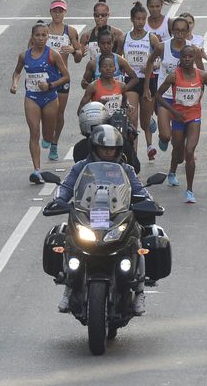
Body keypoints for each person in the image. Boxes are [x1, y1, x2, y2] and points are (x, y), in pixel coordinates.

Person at [54, 123, 153, 315]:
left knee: (138, 239)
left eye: (113, 149)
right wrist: (58, 200)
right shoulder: (81, 167)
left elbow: (139, 189)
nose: (109, 152)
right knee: (69, 238)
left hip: (117, 216)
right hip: (88, 215)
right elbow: (66, 187)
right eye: (104, 148)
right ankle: (68, 286)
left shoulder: (126, 169)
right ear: (94, 147)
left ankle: (139, 290)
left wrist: (148, 202)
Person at [12, 21, 71, 183]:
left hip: (50, 98)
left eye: (44, 35)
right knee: (34, 132)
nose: (40, 38)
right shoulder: (24, 56)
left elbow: (66, 77)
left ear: (48, 37)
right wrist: (15, 84)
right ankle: (37, 170)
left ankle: (49, 139)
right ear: (32, 37)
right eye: (37, 35)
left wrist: (50, 85)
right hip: (32, 97)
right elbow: (17, 72)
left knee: (47, 136)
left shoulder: (53, 54)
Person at [155, 43, 207, 204]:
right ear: (180, 58)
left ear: (194, 58)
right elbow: (158, 96)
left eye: (190, 56)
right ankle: (172, 171)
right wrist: (173, 111)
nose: (187, 59)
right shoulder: (173, 76)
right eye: (184, 56)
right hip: (178, 117)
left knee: (190, 151)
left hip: (194, 117)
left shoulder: (201, 75)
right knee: (178, 151)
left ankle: (190, 190)